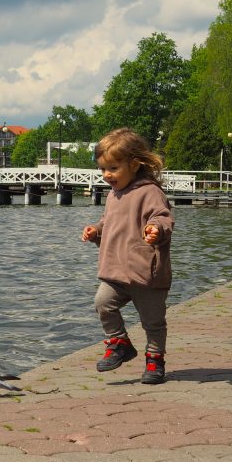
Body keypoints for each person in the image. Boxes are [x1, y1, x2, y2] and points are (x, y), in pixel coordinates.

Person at [81, 128, 173, 384]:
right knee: (103, 303)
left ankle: (155, 360)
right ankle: (120, 343)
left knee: (153, 322)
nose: (106, 175)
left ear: (134, 165)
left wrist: (156, 229)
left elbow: (162, 218)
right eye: (102, 169)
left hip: (146, 273)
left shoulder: (149, 192)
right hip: (117, 272)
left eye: (112, 168)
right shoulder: (113, 195)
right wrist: (96, 230)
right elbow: (108, 222)